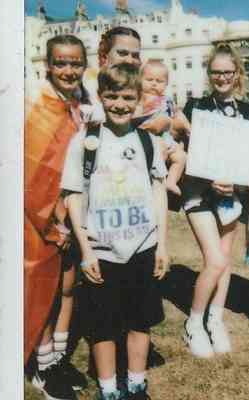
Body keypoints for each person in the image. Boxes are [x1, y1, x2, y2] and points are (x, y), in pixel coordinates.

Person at [62, 64, 168, 400]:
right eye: (112, 97)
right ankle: (109, 390)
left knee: (140, 322)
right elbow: (74, 196)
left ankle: (136, 385)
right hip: (102, 253)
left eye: (127, 97)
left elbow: (159, 191)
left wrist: (162, 245)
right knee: (102, 326)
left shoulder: (148, 141)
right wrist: (86, 250)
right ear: (100, 97)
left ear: (138, 99)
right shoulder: (86, 142)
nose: (120, 104)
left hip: (142, 249)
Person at [178, 43, 249, 358]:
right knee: (216, 260)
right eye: (215, 72)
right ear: (209, 74)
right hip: (198, 194)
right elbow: (183, 152)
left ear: (237, 74)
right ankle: (193, 324)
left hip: (232, 197)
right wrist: (213, 180)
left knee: (225, 261)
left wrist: (236, 185)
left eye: (227, 71)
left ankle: (215, 319)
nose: (221, 77)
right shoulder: (195, 107)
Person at [25, 34, 90, 400]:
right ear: (48, 65)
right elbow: (32, 174)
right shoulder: (39, 106)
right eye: (61, 63)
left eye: (75, 63)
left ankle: (57, 360)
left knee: (68, 287)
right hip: (44, 219)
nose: (68, 70)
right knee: (45, 293)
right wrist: (52, 224)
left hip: (72, 211)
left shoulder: (79, 103)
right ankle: (42, 365)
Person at [136, 60, 186, 196]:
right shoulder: (141, 98)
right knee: (158, 159)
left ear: (166, 84)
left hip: (167, 137)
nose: (154, 83)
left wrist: (187, 127)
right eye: (149, 79)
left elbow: (177, 114)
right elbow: (138, 116)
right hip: (151, 138)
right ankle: (155, 182)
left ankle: (171, 181)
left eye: (159, 81)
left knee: (181, 157)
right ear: (140, 80)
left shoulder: (167, 99)